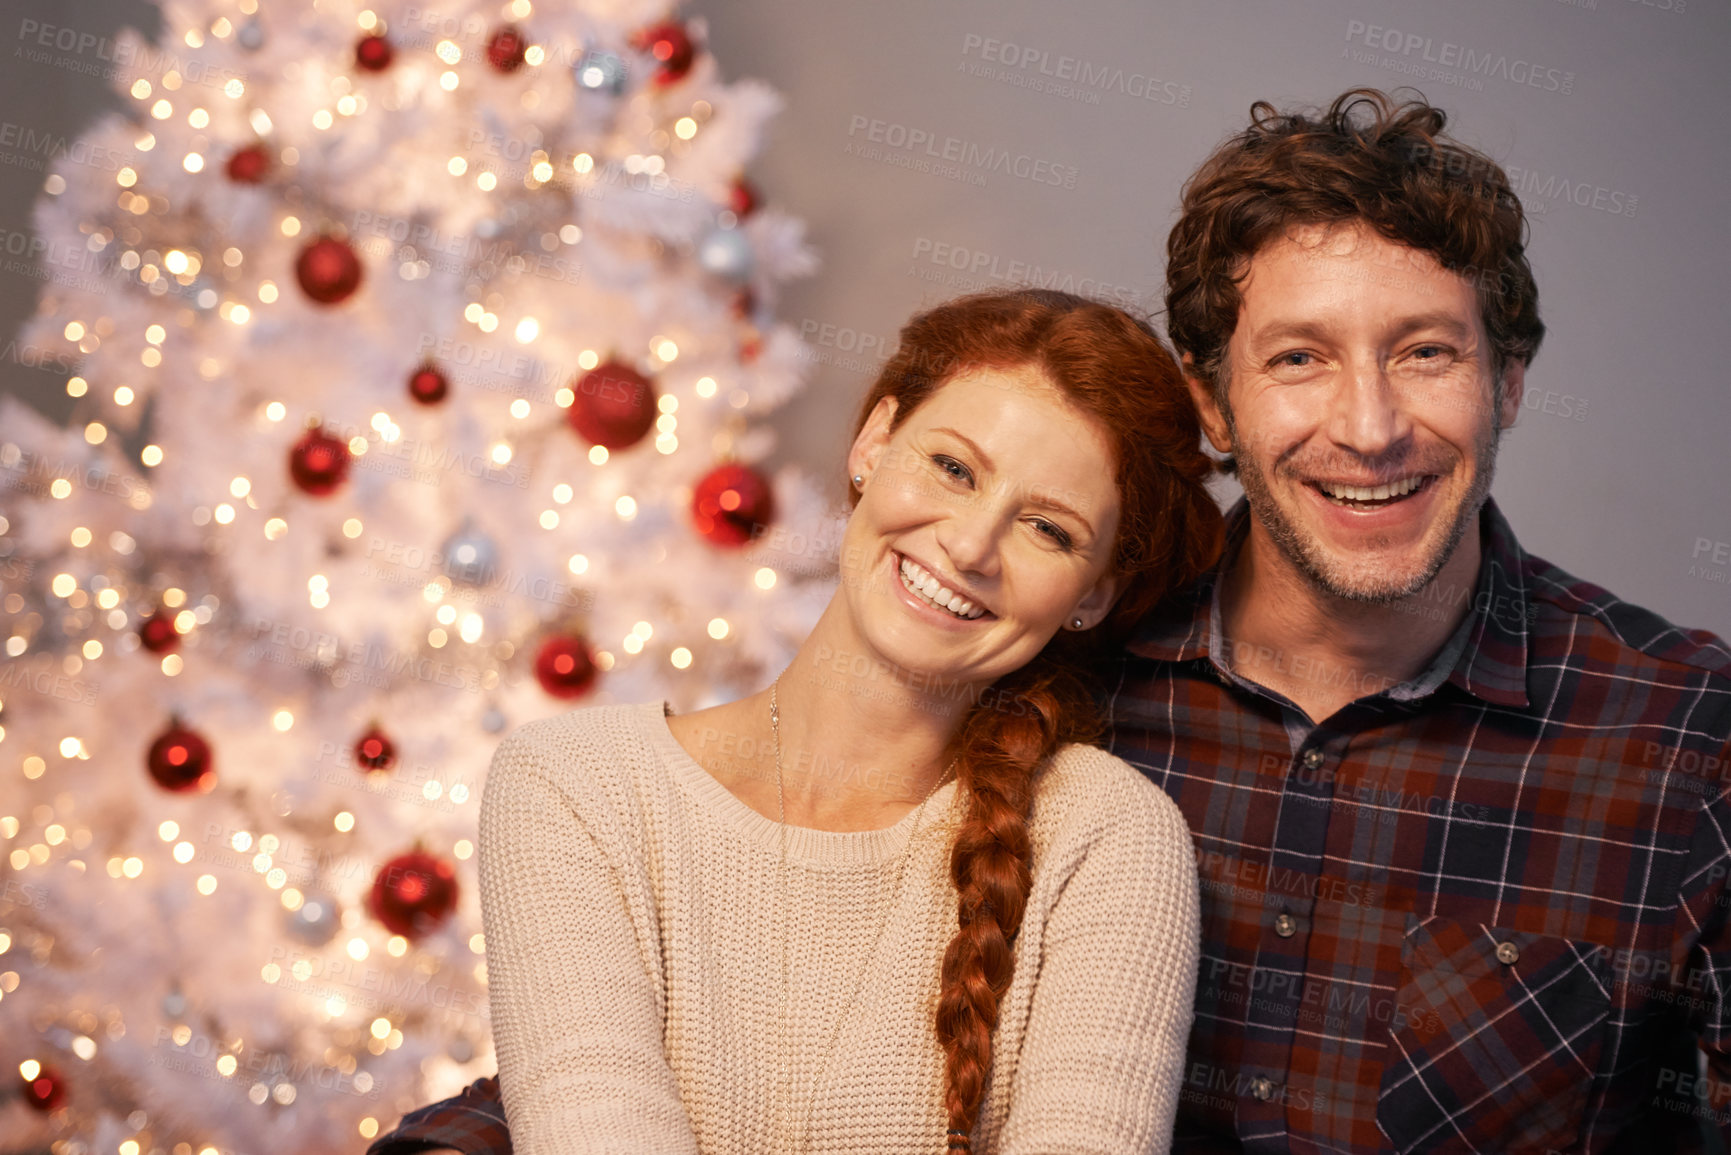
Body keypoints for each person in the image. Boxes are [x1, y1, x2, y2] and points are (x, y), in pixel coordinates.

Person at [373, 289, 1224, 1154]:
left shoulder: (1107, 839)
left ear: (1094, 595)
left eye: (1046, 527)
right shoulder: (572, 787)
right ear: (874, 441)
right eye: (953, 468)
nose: (970, 545)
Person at [1107, 88, 1731, 1151]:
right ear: (1211, 403)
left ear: (1509, 383)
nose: (1370, 428)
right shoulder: (1076, 679)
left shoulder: (1689, 738)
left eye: (1426, 353)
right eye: (1299, 357)